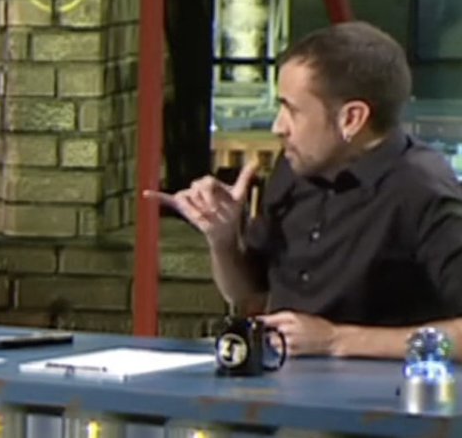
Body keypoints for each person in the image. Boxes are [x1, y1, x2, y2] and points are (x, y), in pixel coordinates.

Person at [155, 21, 462, 359]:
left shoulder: (424, 191)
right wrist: (223, 239)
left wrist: (337, 340)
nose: (278, 127)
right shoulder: (294, 167)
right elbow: (248, 295)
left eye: (292, 110)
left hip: (383, 388)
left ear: (351, 118)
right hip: (278, 377)